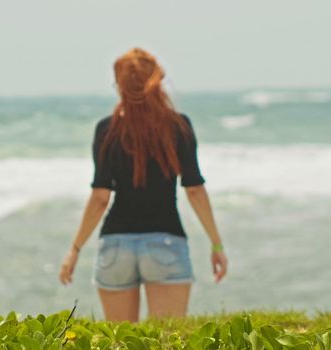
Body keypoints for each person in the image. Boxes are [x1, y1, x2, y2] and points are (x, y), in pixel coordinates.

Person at [58, 47, 227, 322]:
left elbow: (100, 197)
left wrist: (74, 250)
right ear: (157, 82)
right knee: (167, 340)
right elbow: (194, 189)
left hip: (115, 246)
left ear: (120, 86)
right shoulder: (178, 126)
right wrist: (217, 245)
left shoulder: (107, 130)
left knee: (121, 341)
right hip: (166, 243)